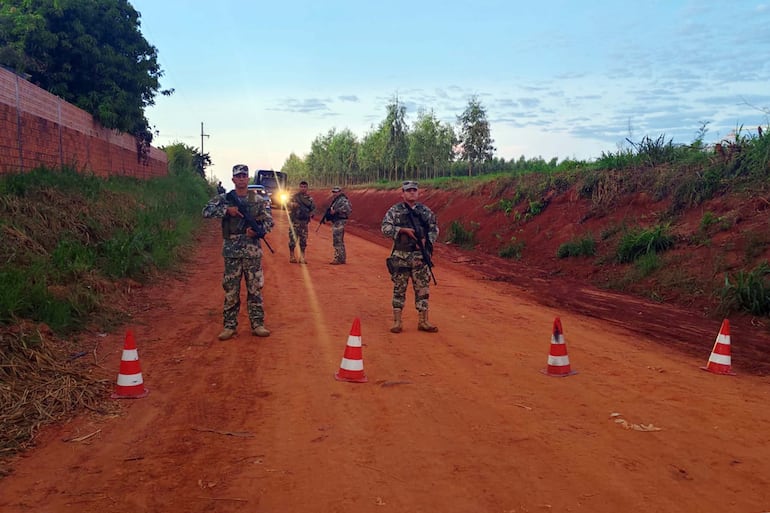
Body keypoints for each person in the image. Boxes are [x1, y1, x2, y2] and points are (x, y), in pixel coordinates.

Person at [203, 164, 274, 340]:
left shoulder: (258, 200)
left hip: (252, 251)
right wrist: (227, 210)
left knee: (255, 289)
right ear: (233, 179)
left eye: (244, 176)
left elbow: (269, 222)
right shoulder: (225, 198)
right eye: (238, 176)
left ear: (248, 178)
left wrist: (256, 231)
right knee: (231, 290)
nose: (241, 179)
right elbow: (206, 211)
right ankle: (229, 326)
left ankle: (258, 324)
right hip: (232, 251)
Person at [381, 180, 439, 333]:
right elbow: (385, 228)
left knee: (422, 290)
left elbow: (434, 229)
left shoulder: (425, 212)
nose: (412, 192)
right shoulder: (395, 210)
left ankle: (423, 321)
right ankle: (397, 322)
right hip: (401, 256)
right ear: (402, 194)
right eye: (408, 190)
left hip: (420, 257)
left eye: (414, 190)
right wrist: (401, 230)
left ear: (418, 192)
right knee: (399, 289)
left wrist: (427, 242)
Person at [287, 180, 316, 264]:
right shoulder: (294, 197)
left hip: (304, 222)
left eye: (304, 187)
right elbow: (286, 203)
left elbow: (313, 208)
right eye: (301, 187)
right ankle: (292, 256)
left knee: (303, 241)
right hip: (295, 222)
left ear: (307, 188)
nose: (303, 188)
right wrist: (293, 205)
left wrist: (311, 214)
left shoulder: (310, 199)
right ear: (299, 187)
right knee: (293, 240)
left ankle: (302, 257)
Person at [326, 186, 352, 265]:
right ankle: (342, 258)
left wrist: (336, 211)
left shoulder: (343, 200)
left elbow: (348, 209)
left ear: (340, 192)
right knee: (339, 240)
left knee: (337, 240)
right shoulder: (336, 200)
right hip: (337, 221)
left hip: (340, 221)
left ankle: (338, 258)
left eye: (336, 192)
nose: (334, 193)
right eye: (333, 192)